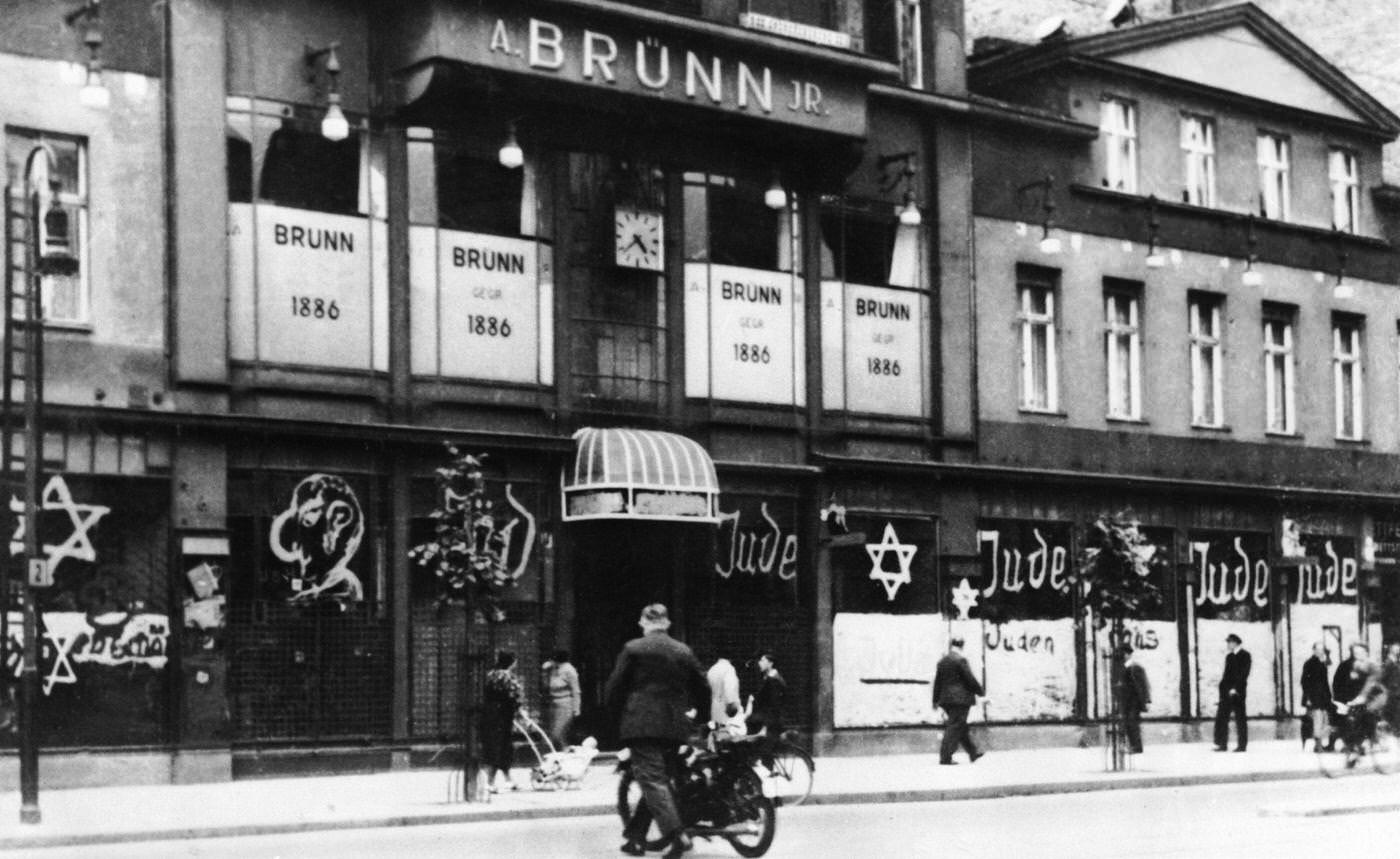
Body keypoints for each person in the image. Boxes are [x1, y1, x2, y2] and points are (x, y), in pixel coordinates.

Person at [605, 604, 709, 859]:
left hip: (641, 724)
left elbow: (615, 687)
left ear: (644, 622)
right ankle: (636, 838)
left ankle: (677, 835)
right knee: (659, 781)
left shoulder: (634, 648)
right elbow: (703, 687)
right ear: (666, 623)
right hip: (674, 727)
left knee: (651, 780)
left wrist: (614, 718)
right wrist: (702, 718)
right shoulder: (682, 650)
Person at [932, 636, 984, 765]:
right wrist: (981, 693)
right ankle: (945, 757)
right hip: (960, 700)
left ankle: (973, 752)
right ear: (962, 645)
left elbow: (937, 682)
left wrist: (935, 700)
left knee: (960, 726)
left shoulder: (942, 661)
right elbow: (969, 679)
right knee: (955, 726)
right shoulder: (960, 660)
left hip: (946, 700)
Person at [481, 650, 524, 793]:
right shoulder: (508, 677)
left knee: (495, 745)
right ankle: (490, 782)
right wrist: (520, 711)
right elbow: (515, 696)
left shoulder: (490, 675)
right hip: (504, 715)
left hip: (490, 713)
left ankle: (508, 779)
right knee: (501, 746)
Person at [1213, 633, 1251, 752]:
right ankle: (1222, 744)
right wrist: (1223, 689)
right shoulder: (1229, 657)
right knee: (1223, 717)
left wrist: (1236, 688)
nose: (1228, 645)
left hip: (1238, 692)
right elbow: (1226, 675)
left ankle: (1242, 745)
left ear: (1235, 643)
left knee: (1240, 718)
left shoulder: (1245, 655)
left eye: (1229, 642)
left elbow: (1244, 674)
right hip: (1226, 692)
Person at [541, 649, 581, 750]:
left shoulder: (569, 670)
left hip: (566, 704)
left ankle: (566, 752)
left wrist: (576, 708)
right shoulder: (553, 669)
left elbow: (575, 690)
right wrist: (545, 672)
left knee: (557, 733)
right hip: (554, 703)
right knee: (556, 735)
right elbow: (546, 685)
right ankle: (562, 755)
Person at [1116, 644, 1151, 754]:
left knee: (1132, 723)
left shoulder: (1135, 667)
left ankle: (1136, 747)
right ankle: (1134, 746)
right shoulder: (1126, 667)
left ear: (1127, 654)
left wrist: (1146, 701)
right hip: (1128, 701)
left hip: (1134, 701)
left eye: (1123, 654)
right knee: (1129, 723)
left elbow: (1143, 685)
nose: (1122, 656)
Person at [1300, 642, 1332, 752]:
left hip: (1323, 697)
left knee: (1324, 721)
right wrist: (1308, 698)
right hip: (1314, 697)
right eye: (1318, 649)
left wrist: (1328, 696)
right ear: (1313, 650)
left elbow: (1325, 682)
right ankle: (1318, 745)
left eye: (1322, 650)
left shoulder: (1322, 663)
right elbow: (1304, 682)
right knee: (1317, 721)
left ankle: (1320, 744)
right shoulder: (1309, 663)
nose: (1320, 652)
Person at [746, 651, 786, 738]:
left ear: (770, 663)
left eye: (762, 660)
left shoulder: (774, 680)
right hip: (767, 718)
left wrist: (764, 728)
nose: (759, 663)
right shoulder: (768, 678)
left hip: (770, 722)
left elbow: (773, 705)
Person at [706, 657, 741, 728]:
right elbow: (730, 689)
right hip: (727, 713)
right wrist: (733, 708)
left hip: (714, 711)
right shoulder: (729, 669)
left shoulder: (712, 670)